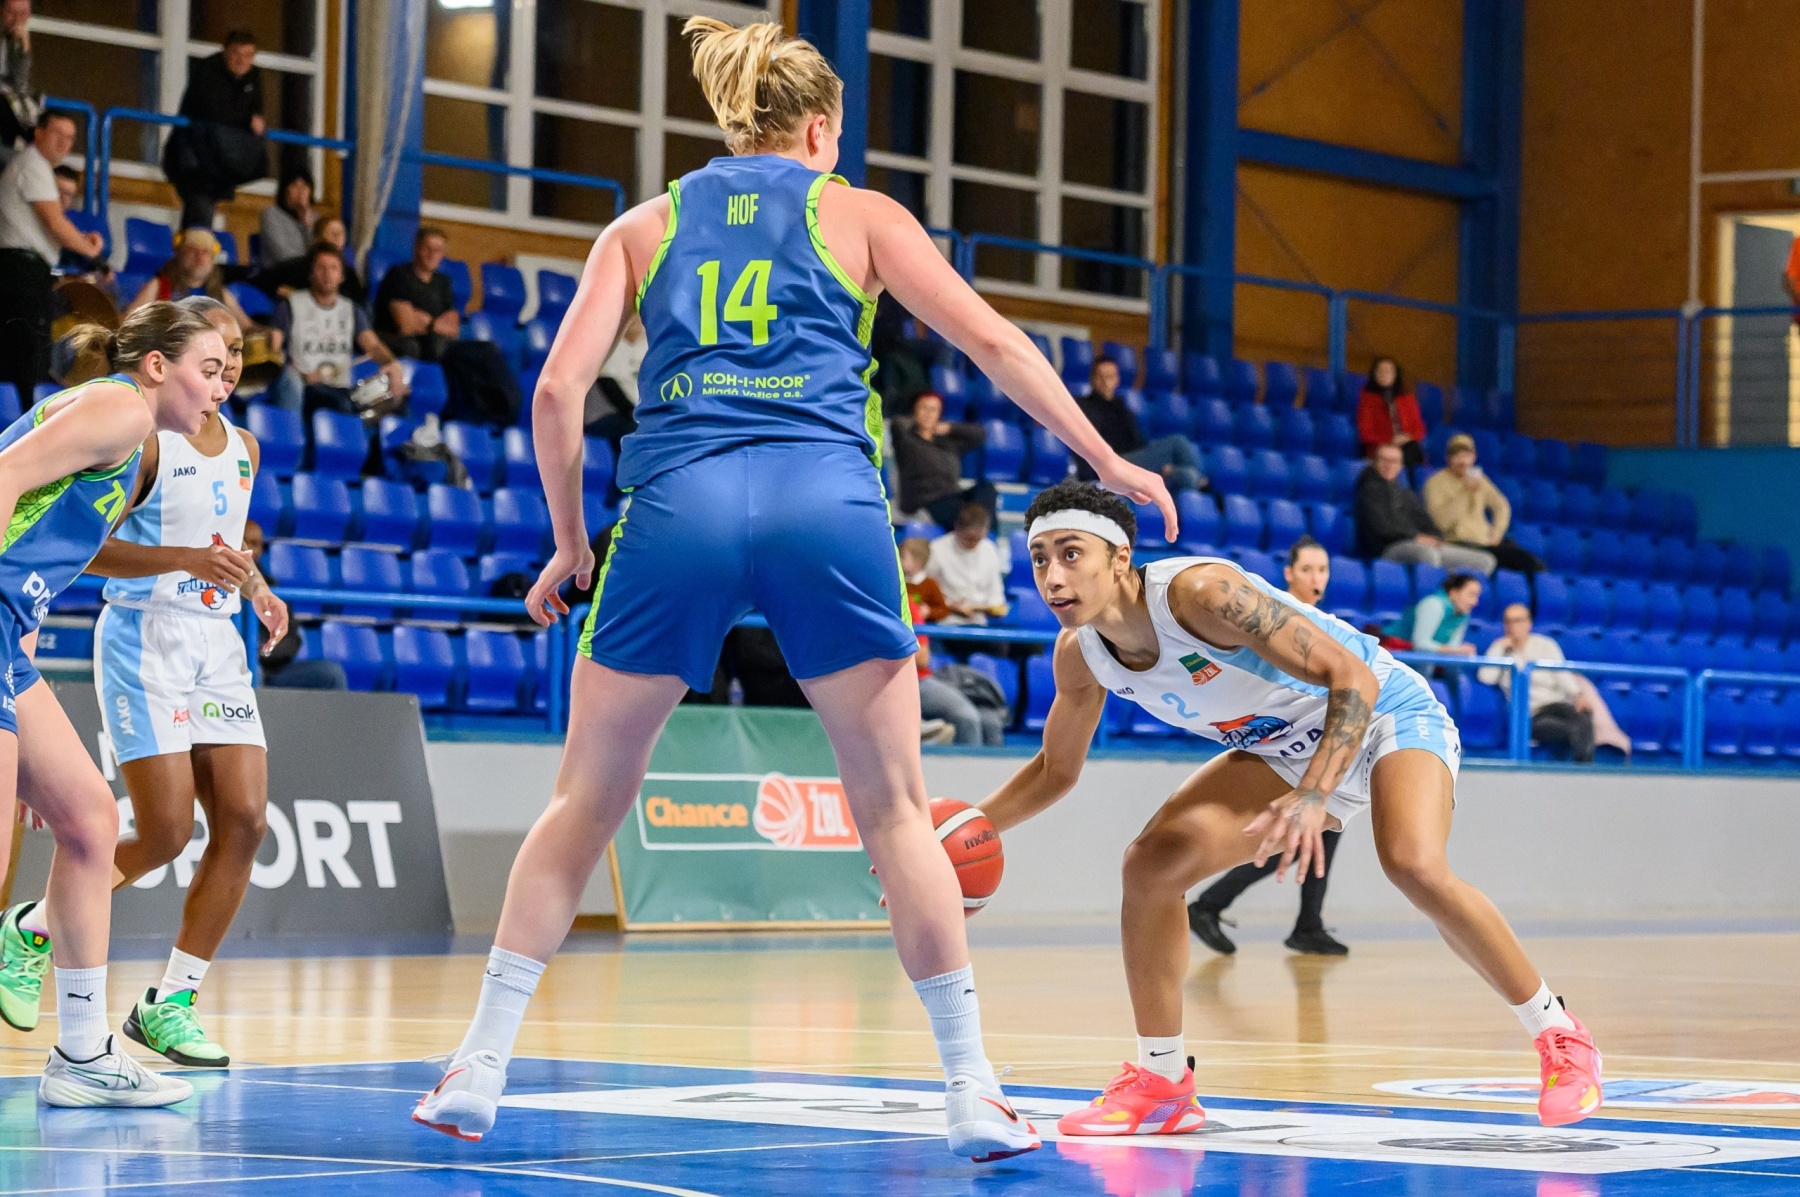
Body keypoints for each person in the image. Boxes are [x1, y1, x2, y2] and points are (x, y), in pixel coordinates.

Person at [411, 17, 1175, 1162]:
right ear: (818, 129)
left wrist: (569, 544)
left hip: (677, 506)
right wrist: (1105, 458)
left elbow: (558, 393)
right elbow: (994, 345)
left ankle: (478, 1063)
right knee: (896, 813)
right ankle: (972, 1089)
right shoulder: (860, 214)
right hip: (827, 501)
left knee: (584, 803)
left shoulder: (644, 225)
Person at [975, 479, 1602, 1138]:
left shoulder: (1201, 594)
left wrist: (1314, 794)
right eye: (1039, 557)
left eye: (1071, 553)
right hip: (1283, 746)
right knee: (1151, 866)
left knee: (1412, 863)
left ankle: (1560, 1034)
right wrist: (958, 833)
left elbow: (1352, 676)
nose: (1053, 576)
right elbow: (1054, 770)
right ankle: (1163, 1082)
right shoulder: (1080, 655)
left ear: (1120, 557)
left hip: (1382, 710)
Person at [35, 296, 287, 1070]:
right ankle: (35, 926)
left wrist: (258, 588)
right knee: (167, 829)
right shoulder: (145, 437)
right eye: (218, 352)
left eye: (237, 353)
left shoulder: (244, 446)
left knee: (245, 819)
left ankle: (170, 1002)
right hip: (145, 633)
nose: (231, 365)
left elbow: (220, 545)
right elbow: (89, 549)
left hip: (217, 641)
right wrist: (183, 560)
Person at [0, 301, 228, 1107]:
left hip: (8, 635)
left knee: (92, 821)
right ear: (158, 366)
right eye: (209, 369)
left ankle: (83, 1054)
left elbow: (29, 568)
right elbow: (2, 479)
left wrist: (20, 703)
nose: (221, 388)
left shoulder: (133, 449)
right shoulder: (120, 408)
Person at [1186, 537, 1347, 957]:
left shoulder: (1325, 622)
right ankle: (1209, 904)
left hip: (1314, 739)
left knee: (1322, 834)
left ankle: (1307, 923)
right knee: (1295, 839)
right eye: (1307, 569)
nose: (1316, 577)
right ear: (1289, 573)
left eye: (1323, 569)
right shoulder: (1271, 615)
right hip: (1280, 740)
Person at [0, 110, 102, 403]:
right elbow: (55, 223)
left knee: (25, 354)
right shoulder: (33, 164)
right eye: (57, 134)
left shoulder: (36, 166)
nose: (64, 143)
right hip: (19, 271)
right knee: (26, 356)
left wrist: (82, 240)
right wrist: (90, 249)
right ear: (39, 133)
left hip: (22, 270)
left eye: (70, 138)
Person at [373, 225, 520, 426]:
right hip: (404, 342)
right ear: (416, 248)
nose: (433, 254)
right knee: (436, 347)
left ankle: (500, 410)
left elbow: (453, 329)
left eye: (438, 250)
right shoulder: (399, 275)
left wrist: (427, 322)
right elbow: (406, 326)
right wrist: (436, 324)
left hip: (437, 343)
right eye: (428, 248)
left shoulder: (443, 282)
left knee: (486, 350)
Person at [269, 242, 406, 416]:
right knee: (338, 404)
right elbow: (274, 352)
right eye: (321, 268)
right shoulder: (290, 305)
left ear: (341, 276)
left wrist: (392, 363)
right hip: (305, 386)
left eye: (333, 268)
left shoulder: (352, 309)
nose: (327, 274)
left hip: (340, 388)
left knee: (397, 396)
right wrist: (300, 375)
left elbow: (372, 345)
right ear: (311, 273)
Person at [1480, 604, 1631, 762]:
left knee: (1583, 714)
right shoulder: (1499, 649)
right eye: (1508, 621)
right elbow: (1486, 677)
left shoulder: (1546, 645)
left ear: (1528, 623)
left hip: (1557, 706)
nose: (1512, 626)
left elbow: (1562, 674)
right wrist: (1499, 649)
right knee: (1572, 730)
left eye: (1518, 621)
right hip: (1531, 715)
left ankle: (1584, 768)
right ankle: (1584, 768)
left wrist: (1578, 695)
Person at [164, 30, 267, 230]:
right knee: (200, 207)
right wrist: (247, 120)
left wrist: (255, 118)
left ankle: (192, 244)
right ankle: (193, 246)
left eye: (248, 56)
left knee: (201, 211)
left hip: (221, 161)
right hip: (193, 156)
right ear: (225, 52)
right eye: (237, 54)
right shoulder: (206, 71)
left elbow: (257, 111)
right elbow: (213, 112)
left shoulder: (254, 75)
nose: (242, 61)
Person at [1355, 442, 1495, 574]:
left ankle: (1458, 589)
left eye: (1394, 461)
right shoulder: (1368, 491)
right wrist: (1415, 537)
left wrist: (1435, 537)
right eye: (1384, 460)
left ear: (1401, 465)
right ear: (1374, 462)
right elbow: (1383, 528)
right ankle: (1437, 589)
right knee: (1428, 554)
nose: (1389, 465)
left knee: (1484, 560)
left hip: (1417, 543)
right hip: (1387, 548)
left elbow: (1424, 521)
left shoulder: (1405, 493)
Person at [241, 518, 346, 689]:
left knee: (331, 674)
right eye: (246, 542)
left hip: (273, 668)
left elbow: (291, 639)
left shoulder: (272, 587)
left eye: (257, 544)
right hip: (235, 664)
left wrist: (262, 651)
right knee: (252, 670)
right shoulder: (218, 583)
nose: (251, 550)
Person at [1075, 355, 1205, 494]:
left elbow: (1139, 442)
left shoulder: (1123, 408)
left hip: (1133, 460)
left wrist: (1155, 462)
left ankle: (1187, 478)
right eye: (1101, 377)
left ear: (1117, 379)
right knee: (1177, 442)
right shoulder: (1084, 406)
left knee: (1188, 476)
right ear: (1092, 379)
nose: (1106, 382)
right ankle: (1200, 483)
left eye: (1110, 377)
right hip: (1111, 462)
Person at [1423, 433, 1545, 577]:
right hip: (1456, 542)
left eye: (1466, 456)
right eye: (1457, 456)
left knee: (1532, 562)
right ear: (1448, 458)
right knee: (1519, 561)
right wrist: (1465, 492)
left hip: (1485, 542)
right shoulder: (1435, 483)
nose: (1462, 461)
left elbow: (1501, 505)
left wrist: (1497, 533)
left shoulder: (1479, 479)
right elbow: (1440, 522)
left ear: (1473, 457)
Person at [892, 390, 994, 529]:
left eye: (933, 410)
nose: (928, 414)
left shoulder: (948, 443)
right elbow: (897, 423)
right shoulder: (906, 440)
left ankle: (983, 532)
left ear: (939, 414)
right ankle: (976, 529)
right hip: (925, 501)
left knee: (986, 488)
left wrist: (950, 428)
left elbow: (980, 434)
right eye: (924, 408)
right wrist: (919, 424)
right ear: (914, 410)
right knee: (963, 510)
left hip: (952, 495)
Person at [914, 599, 1004, 747]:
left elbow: (922, 658)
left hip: (921, 679)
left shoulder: (907, 604)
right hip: (894, 683)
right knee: (967, 718)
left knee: (990, 721)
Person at [128, 228, 248, 322]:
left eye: (205, 252)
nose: (199, 256)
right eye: (192, 250)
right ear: (179, 255)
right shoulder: (158, 286)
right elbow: (128, 323)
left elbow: (247, 327)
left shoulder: (221, 293)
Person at [927, 503, 1009, 626]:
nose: (973, 543)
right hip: (947, 621)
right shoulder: (937, 549)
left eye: (978, 539)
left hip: (980, 622)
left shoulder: (989, 549)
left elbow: (995, 590)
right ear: (957, 528)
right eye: (968, 538)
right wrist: (948, 604)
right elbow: (926, 591)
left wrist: (996, 607)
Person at [1388, 573, 1483, 655]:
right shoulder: (1433, 604)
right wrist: (1456, 650)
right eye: (1471, 595)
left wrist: (1460, 651)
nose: (1475, 602)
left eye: (1477, 596)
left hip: (1424, 659)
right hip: (1394, 649)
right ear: (1453, 593)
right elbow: (1420, 644)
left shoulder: (1464, 613)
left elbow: (1453, 647)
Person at [1357, 355, 1425, 466]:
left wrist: (1407, 437)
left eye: (1388, 371)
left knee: (1413, 449)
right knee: (1406, 453)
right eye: (1380, 371)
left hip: (1406, 445)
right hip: (1380, 446)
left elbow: (1419, 428)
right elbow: (1366, 432)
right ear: (1374, 374)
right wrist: (1390, 441)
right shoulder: (1367, 399)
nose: (1384, 374)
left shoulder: (1408, 398)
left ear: (1395, 374)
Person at [257, 166, 313, 269]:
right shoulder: (271, 214)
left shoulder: (315, 217)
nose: (301, 191)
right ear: (285, 189)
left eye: (305, 185)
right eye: (295, 185)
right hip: (280, 271)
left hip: (308, 273)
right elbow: (283, 255)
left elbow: (319, 252)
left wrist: (308, 226)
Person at [0, 0, 35, 163]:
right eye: (11, 13)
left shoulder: (16, 40)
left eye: (23, 14)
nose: (17, 20)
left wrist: (23, 51)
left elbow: (20, 84)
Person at [901, 536, 951, 623]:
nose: (899, 560)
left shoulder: (930, 584)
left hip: (924, 628)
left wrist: (929, 612)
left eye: (903, 557)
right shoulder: (900, 582)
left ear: (917, 562)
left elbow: (943, 610)